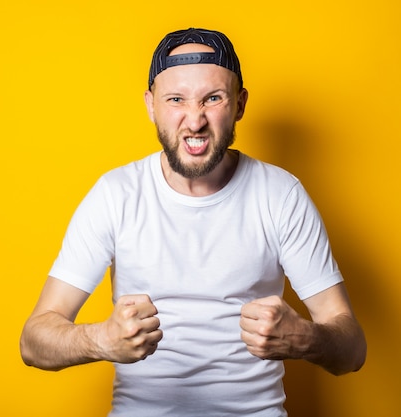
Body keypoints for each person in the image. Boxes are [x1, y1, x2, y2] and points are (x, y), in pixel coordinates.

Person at [19, 27, 366, 416]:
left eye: (213, 98)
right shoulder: (116, 194)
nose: (194, 121)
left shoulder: (280, 194)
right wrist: (100, 339)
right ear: (151, 105)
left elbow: (352, 350)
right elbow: (34, 343)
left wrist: (306, 338)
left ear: (239, 104)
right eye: (176, 99)